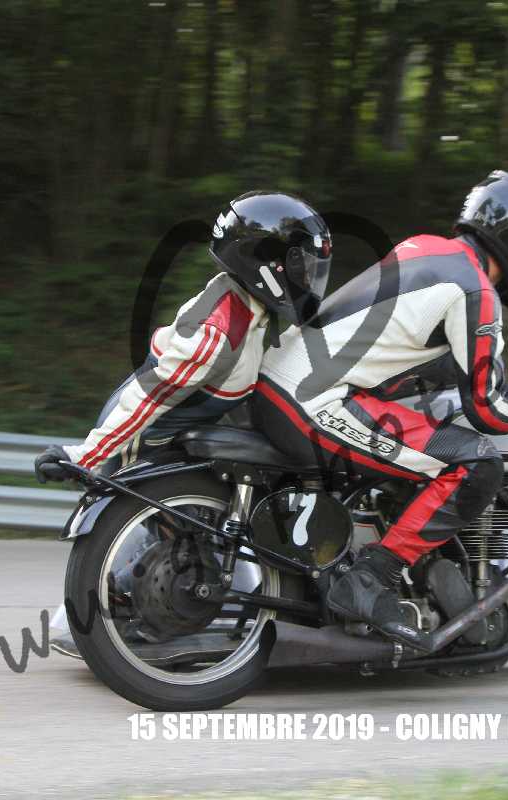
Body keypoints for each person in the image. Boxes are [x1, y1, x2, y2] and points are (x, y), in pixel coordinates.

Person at [252, 170, 508, 650]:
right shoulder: (475, 291)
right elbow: (493, 411)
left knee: (427, 442)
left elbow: (400, 343)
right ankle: (369, 579)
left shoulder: (426, 249)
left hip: (280, 383)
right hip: (311, 402)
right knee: (476, 462)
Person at [34, 190, 332, 655]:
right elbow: (147, 398)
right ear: (267, 264)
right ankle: (96, 622)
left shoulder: (254, 308)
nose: (309, 278)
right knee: (160, 530)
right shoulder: (216, 334)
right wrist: (87, 455)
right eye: (303, 266)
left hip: (185, 420)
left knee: (211, 525)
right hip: (144, 431)